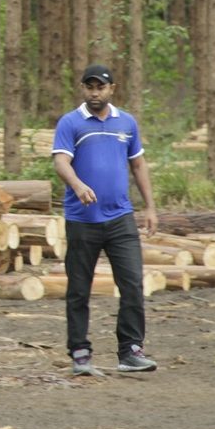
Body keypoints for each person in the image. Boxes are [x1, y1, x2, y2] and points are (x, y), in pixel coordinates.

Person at [51, 64, 159, 375]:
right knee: (79, 288)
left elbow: (138, 166)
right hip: (82, 220)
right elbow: (61, 161)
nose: (95, 93)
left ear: (112, 89)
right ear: (83, 89)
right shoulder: (71, 123)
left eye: (101, 87)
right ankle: (80, 352)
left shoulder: (126, 122)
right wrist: (78, 185)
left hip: (121, 218)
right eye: (90, 87)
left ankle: (130, 350)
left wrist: (150, 208)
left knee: (132, 283)